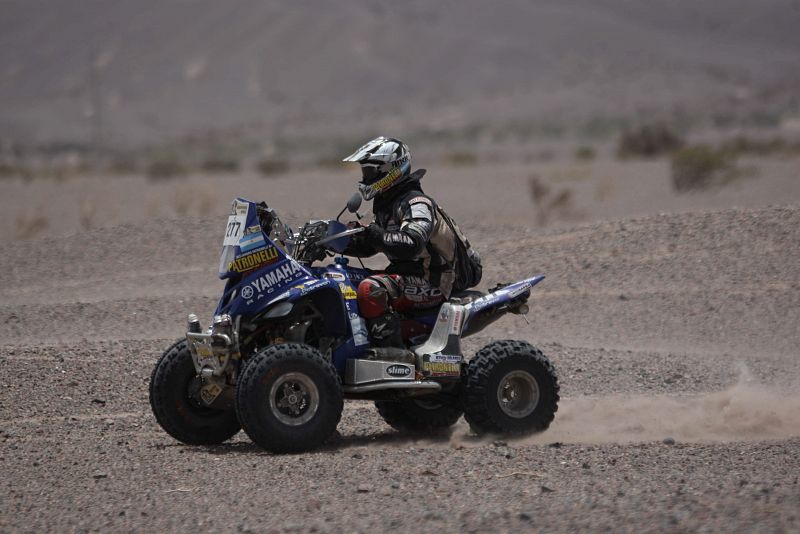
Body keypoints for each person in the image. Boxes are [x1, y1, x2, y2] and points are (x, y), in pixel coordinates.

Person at [342, 136, 481, 350]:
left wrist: (375, 234)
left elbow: (412, 242)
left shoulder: (417, 203)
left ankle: (394, 356)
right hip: (409, 276)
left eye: (370, 172)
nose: (366, 177)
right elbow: (373, 246)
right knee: (344, 279)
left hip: (433, 280)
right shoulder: (388, 204)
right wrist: (338, 240)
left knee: (370, 289)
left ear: (390, 170)